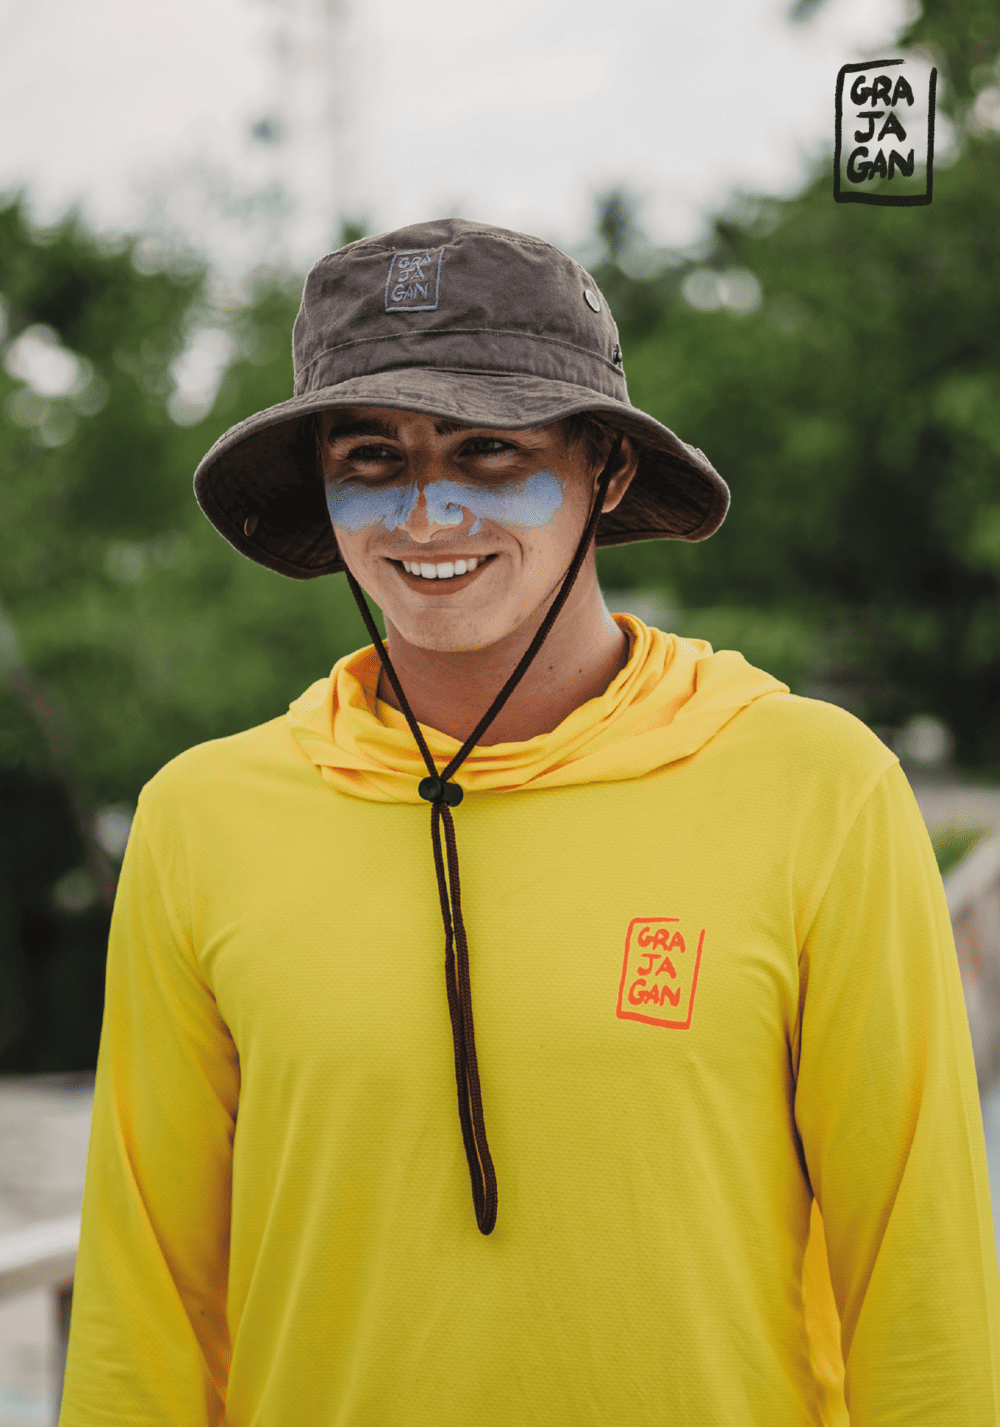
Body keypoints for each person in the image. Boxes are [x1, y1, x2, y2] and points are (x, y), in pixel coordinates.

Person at [59, 219, 999, 1426]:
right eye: (370, 456)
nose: (425, 513)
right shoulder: (202, 820)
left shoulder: (817, 786)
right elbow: (145, 1298)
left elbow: (919, 1271)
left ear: (607, 469)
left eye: (489, 448)